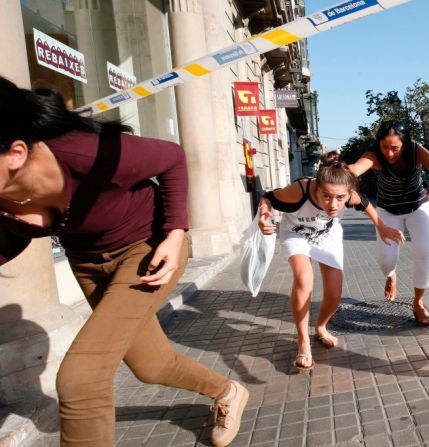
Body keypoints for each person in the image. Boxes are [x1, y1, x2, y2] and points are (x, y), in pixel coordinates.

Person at [0, 76, 246, 447]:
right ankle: (228, 390)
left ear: (16, 153)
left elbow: (172, 158)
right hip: (87, 263)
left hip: (147, 251)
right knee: (151, 365)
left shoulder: (89, 154)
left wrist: (176, 232)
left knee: (80, 378)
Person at [257, 152, 404, 370]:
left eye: (340, 198)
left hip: (327, 236)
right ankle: (303, 342)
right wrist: (263, 213)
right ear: (317, 187)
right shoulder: (300, 190)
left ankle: (321, 328)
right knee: (304, 279)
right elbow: (268, 197)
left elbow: (365, 203)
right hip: (296, 233)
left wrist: (381, 226)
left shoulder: (349, 195)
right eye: (326, 196)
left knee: (334, 295)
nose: (333, 204)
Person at [348, 120, 429, 326]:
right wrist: (340, 175)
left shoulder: (416, 151)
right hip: (388, 210)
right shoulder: (374, 154)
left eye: (395, 148)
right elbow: (356, 168)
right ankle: (391, 275)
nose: (389, 153)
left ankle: (418, 303)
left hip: (418, 206)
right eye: (385, 147)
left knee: (423, 253)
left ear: (405, 143)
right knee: (387, 259)